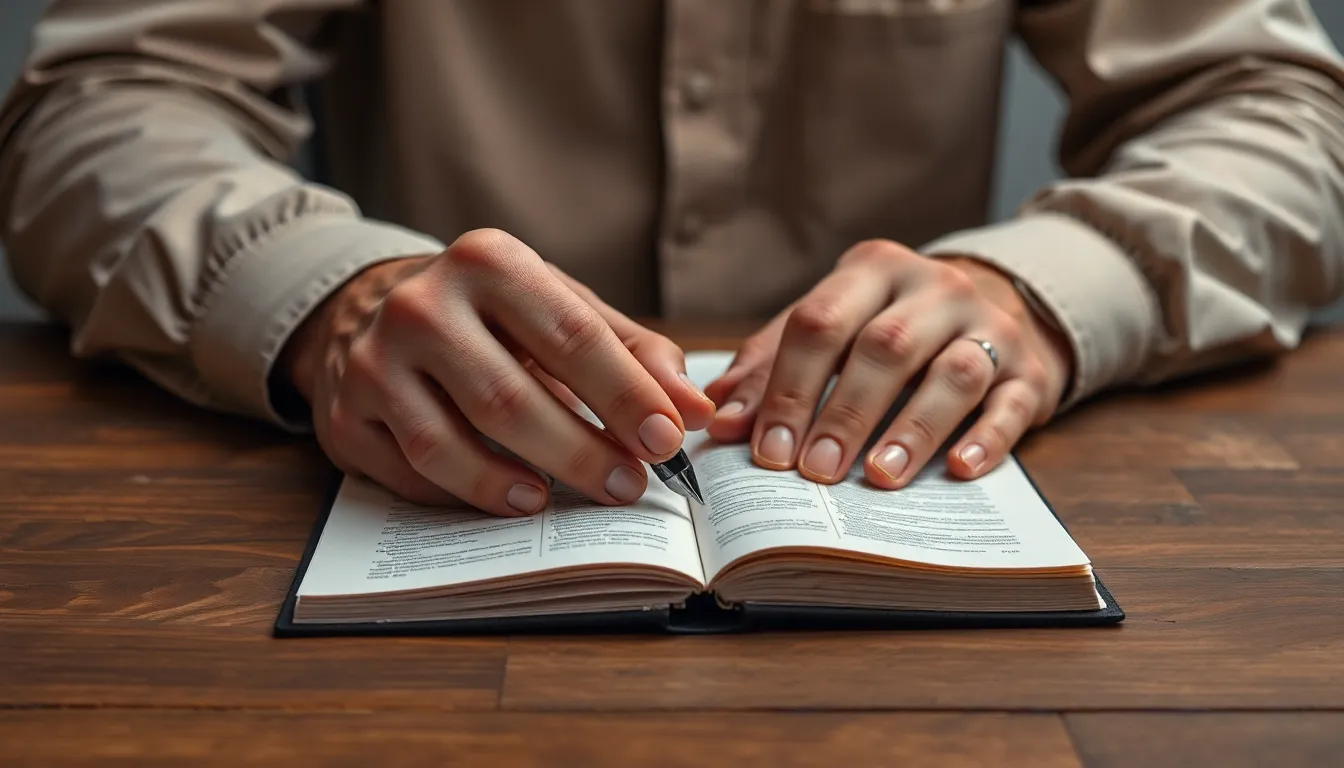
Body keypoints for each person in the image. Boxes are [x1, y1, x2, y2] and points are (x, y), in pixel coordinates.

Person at [1, 1, 1341, 517]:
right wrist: (331, 299)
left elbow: (1282, 112)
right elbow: (110, 100)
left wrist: (1045, 290)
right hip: (414, 518)